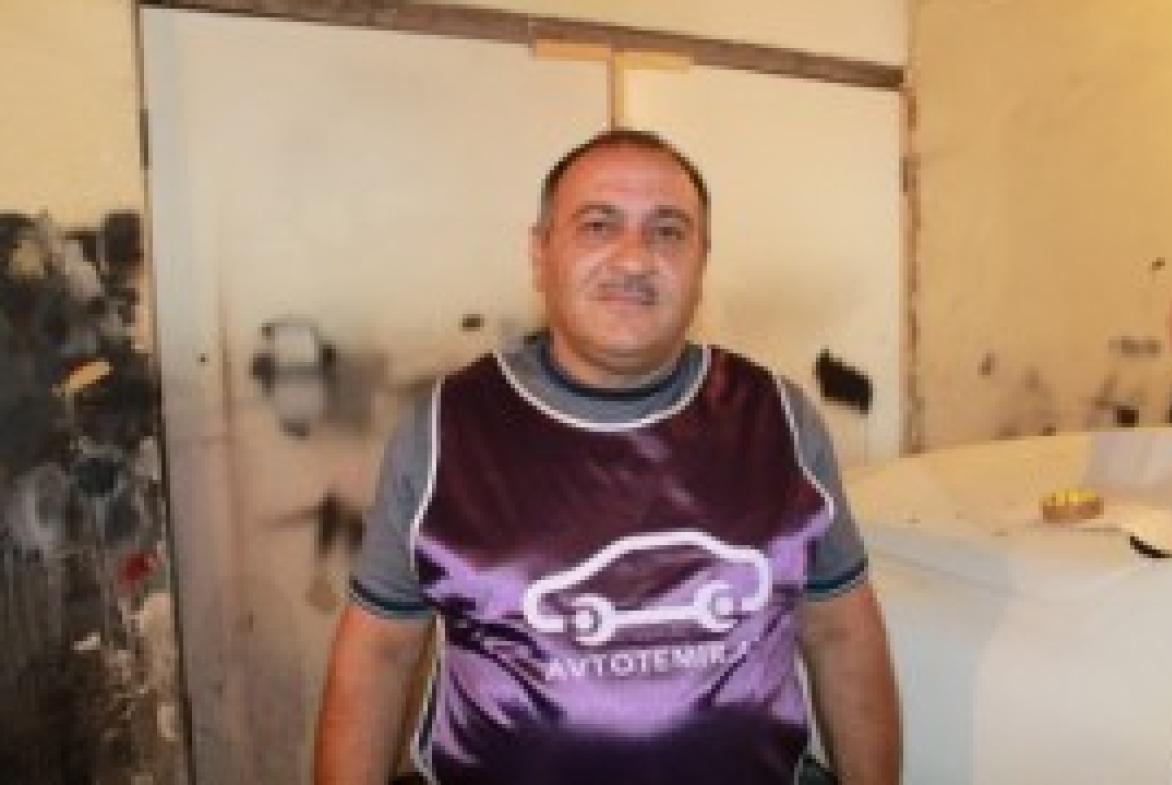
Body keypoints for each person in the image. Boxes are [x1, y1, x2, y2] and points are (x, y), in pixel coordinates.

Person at [315, 128, 901, 785]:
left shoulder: (779, 417)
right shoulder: (445, 427)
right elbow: (381, 653)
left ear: (702, 262)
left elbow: (840, 633)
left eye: (668, 231)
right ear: (541, 252)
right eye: (598, 225)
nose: (634, 259)